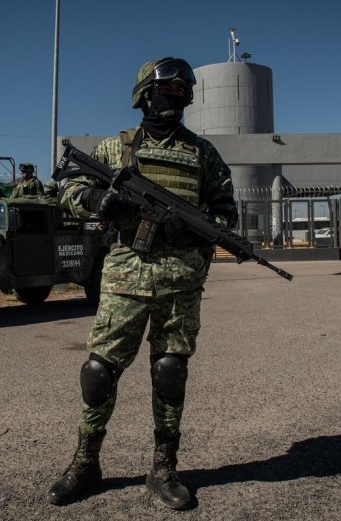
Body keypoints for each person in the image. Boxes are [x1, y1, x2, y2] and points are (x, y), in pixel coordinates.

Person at [47, 57, 237, 509]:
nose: (173, 98)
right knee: (98, 373)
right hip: (124, 279)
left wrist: (190, 227)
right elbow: (68, 191)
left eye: (180, 91)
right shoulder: (118, 150)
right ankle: (85, 463)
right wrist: (99, 199)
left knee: (169, 372)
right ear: (143, 96)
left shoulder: (202, 154)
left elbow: (226, 211)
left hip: (181, 283)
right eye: (164, 90)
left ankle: (164, 468)